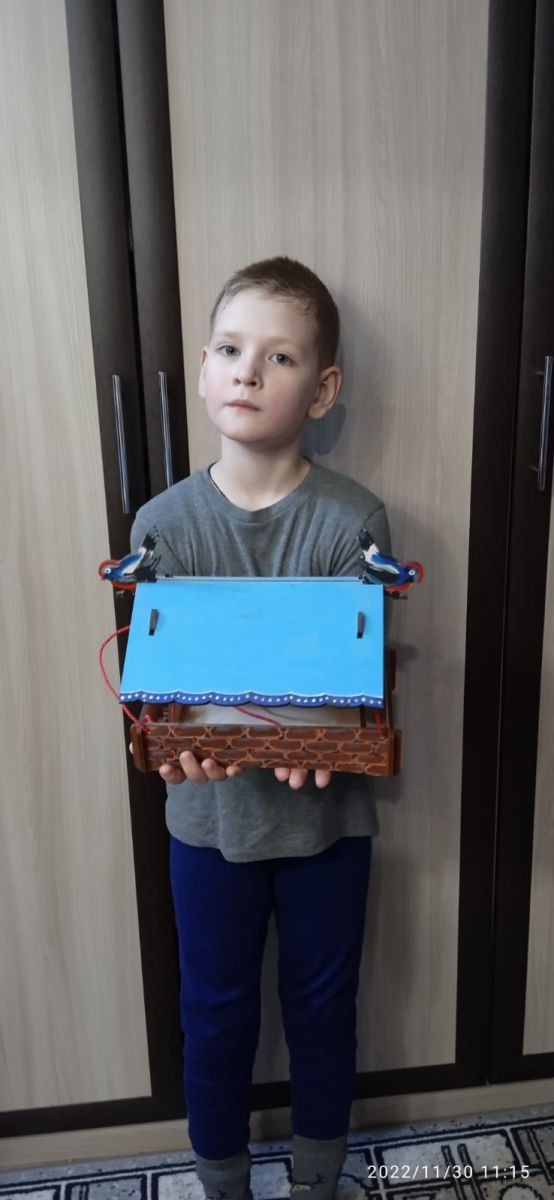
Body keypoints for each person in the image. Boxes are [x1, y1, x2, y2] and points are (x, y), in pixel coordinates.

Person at [129, 256, 391, 1200]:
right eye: (231, 350)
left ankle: (318, 1179)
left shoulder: (353, 519)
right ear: (203, 370)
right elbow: (159, 691)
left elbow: (359, 677)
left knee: (323, 1008)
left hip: (328, 824)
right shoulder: (161, 524)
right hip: (206, 827)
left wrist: (327, 736)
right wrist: (171, 749)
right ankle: (222, 1181)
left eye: (279, 357)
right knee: (214, 1012)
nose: (247, 372)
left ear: (321, 390)